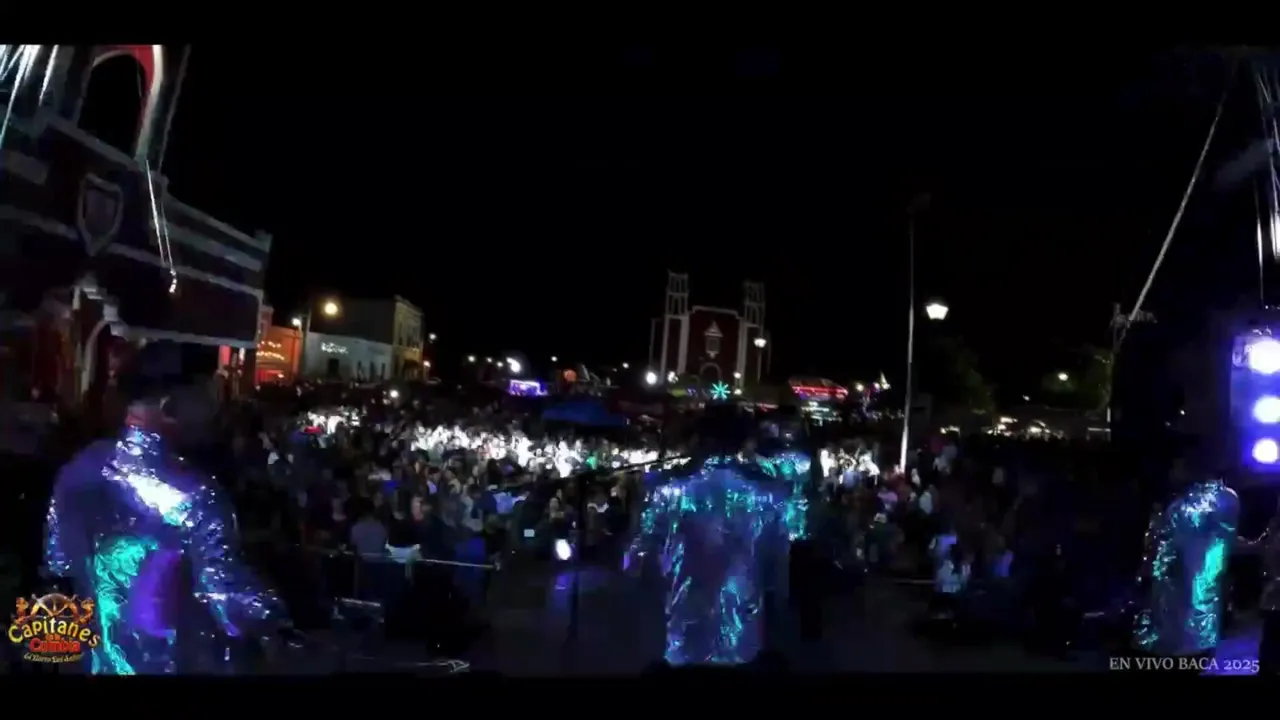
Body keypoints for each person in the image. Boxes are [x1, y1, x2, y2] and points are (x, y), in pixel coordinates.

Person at [43, 341, 287, 674]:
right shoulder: (196, 496)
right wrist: (278, 616)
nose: (216, 410)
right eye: (207, 396)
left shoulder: (78, 469)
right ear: (170, 406)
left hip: (89, 661)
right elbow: (227, 599)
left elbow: (57, 561)